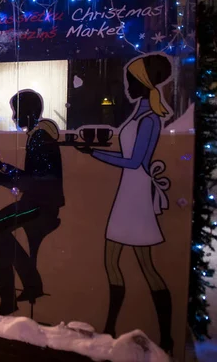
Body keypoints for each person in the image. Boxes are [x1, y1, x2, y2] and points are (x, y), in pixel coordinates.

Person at [75, 53, 173, 354]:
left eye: (130, 79)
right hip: (128, 192)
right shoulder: (141, 114)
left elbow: (133, 162)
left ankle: (164, 336)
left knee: (145, 266)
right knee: (116, 262)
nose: (126, 85)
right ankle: (111, 328)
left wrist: (93, 153)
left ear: (142, 82)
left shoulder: (150, 119)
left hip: (136, 193)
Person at [0, 90, 64, 315]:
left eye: (16, 112)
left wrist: (3, 175)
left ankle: (14, 296)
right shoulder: (39, 136)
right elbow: (33, 177)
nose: (13, 118)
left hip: (40, 206)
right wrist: (3, 167)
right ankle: (29, 285)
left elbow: (35, 181)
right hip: (41, 201)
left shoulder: (39, 138)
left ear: (28, 113)